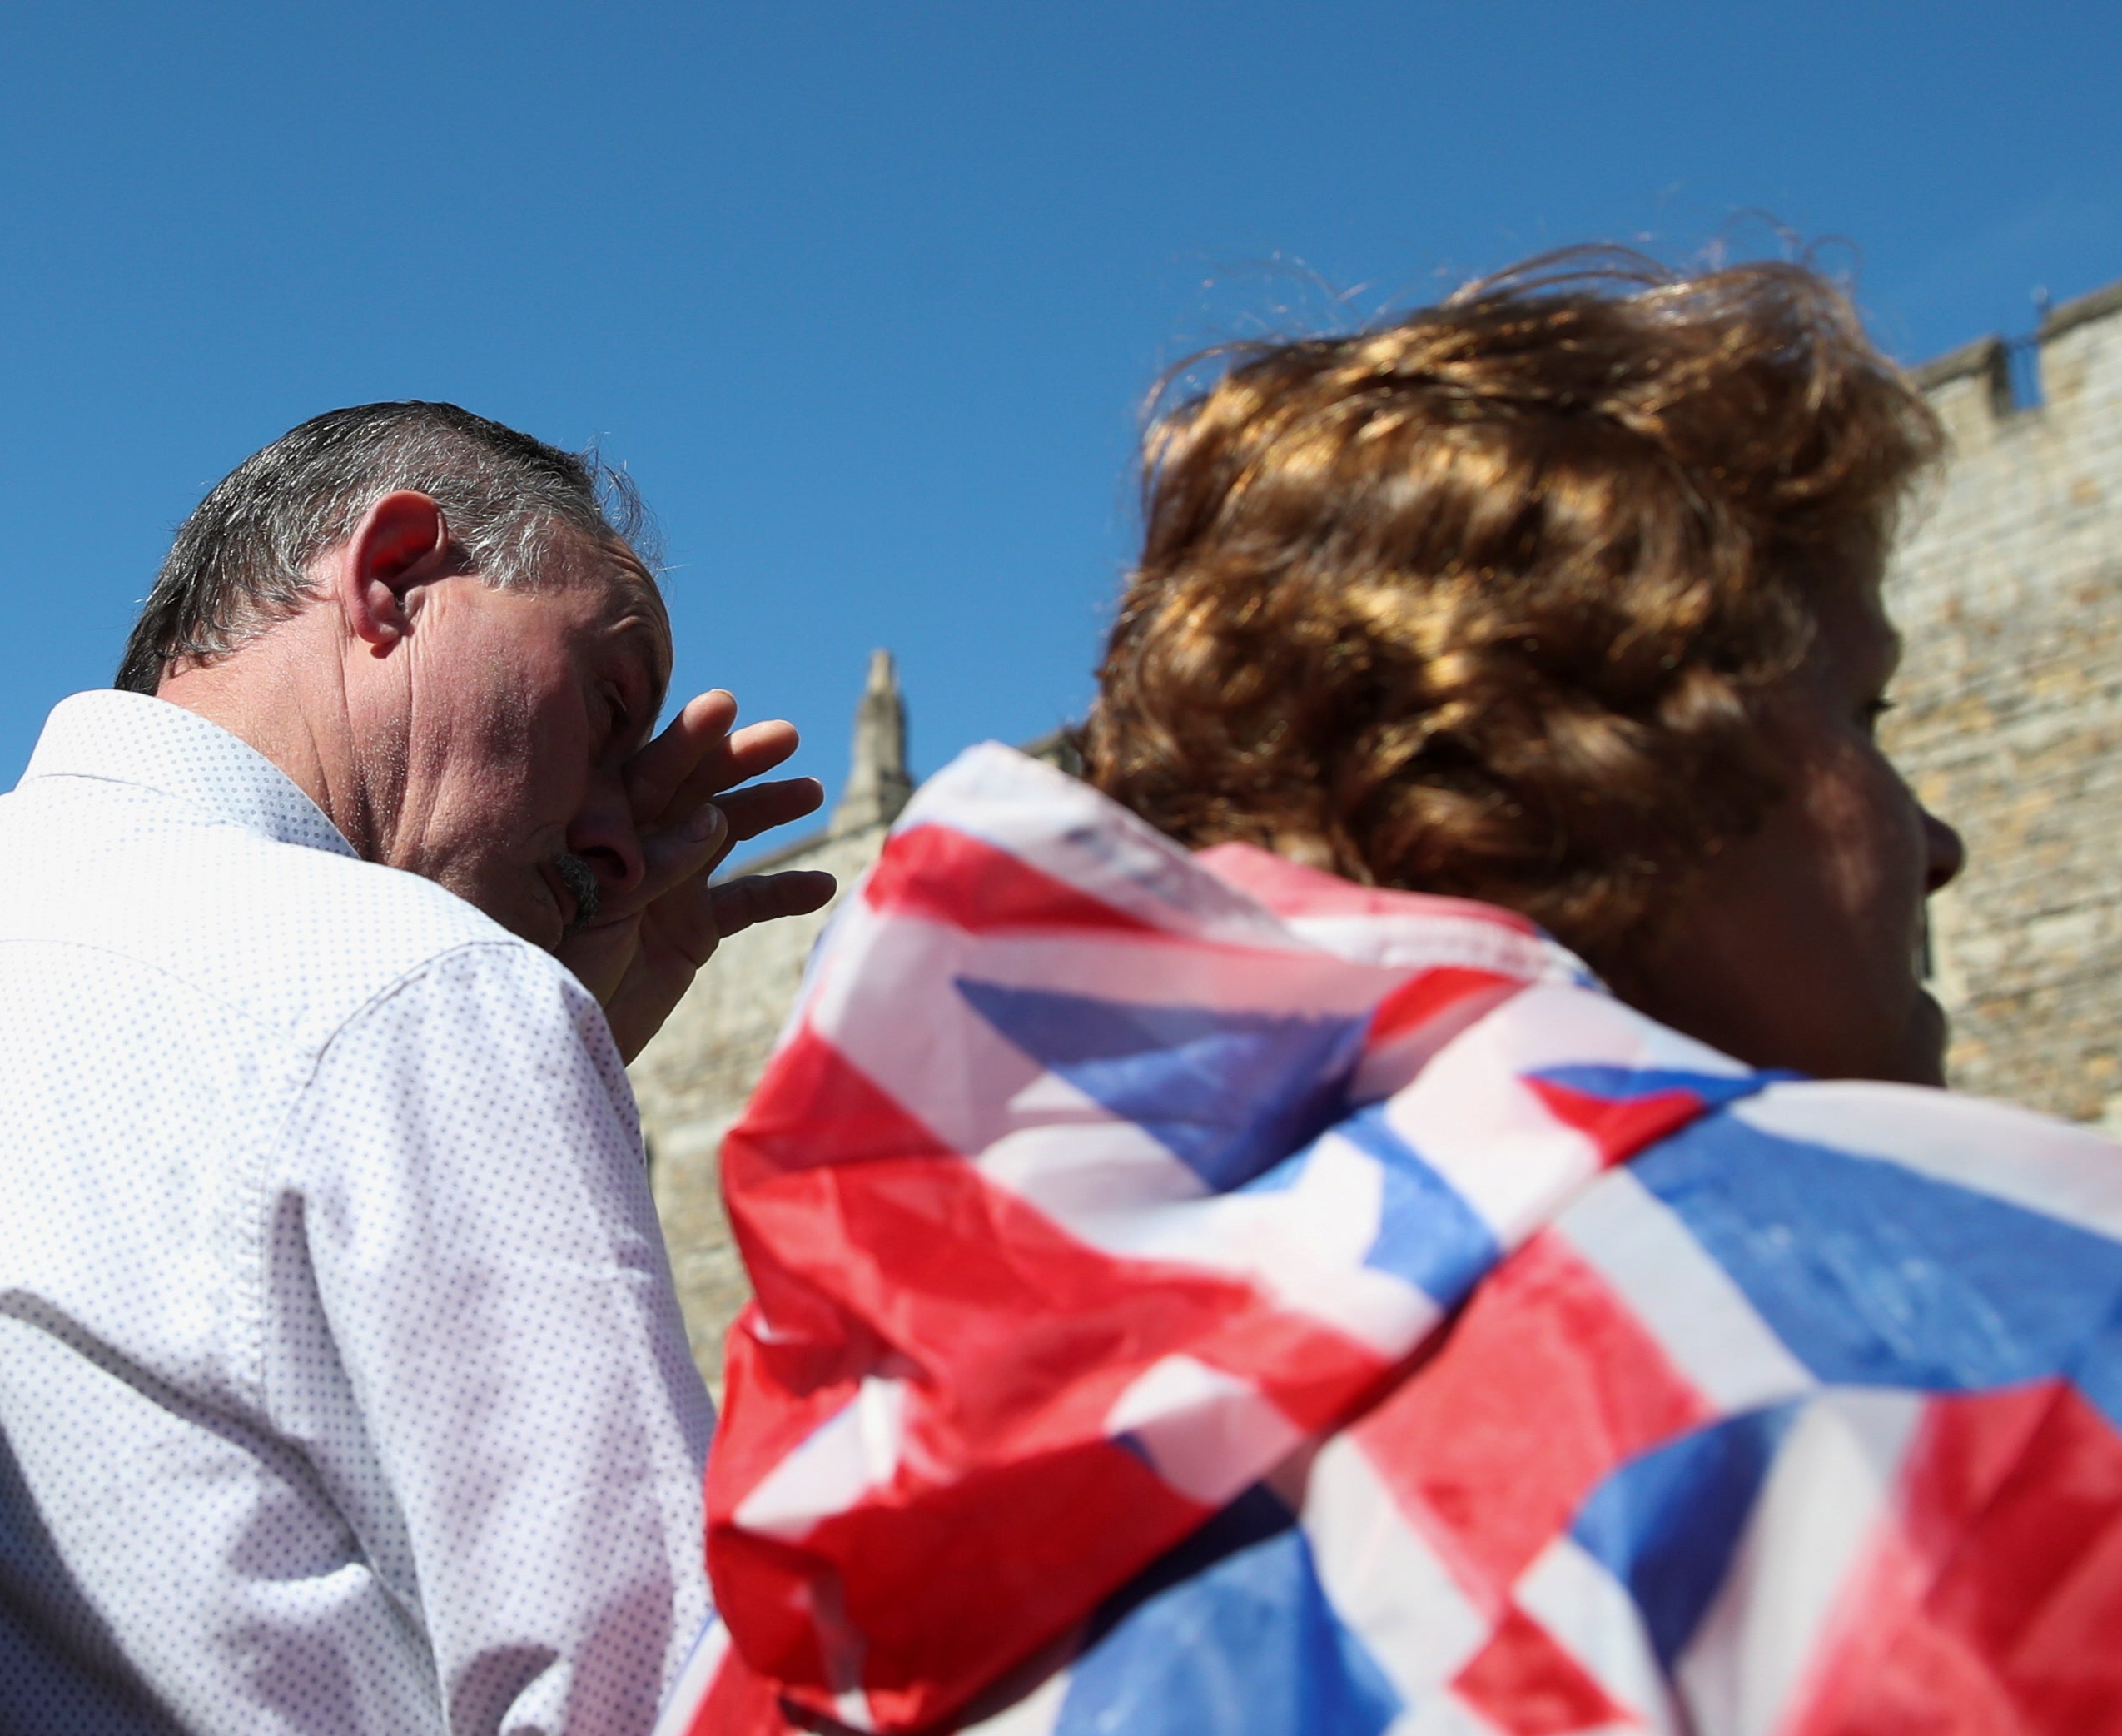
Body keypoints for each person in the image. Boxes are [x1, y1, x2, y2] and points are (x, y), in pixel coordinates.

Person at [660, 256, 2122, 1735]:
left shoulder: (826, 1578)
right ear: (1639, 742)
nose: (1938, 841)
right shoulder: (2005, 1341)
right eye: (1865, 717)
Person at [0, 403, 835, 1735]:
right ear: (395, 574)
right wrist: (492, 1027)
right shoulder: (413, 988)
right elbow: (654, 1699)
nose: (620, 842)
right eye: (607, 701)